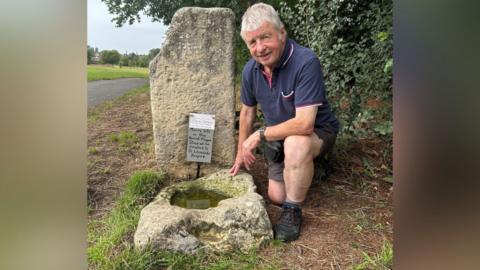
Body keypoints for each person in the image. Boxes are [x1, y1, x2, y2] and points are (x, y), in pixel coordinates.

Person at [229, 2, 340, 242]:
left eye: (265, 37)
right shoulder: (250, 71)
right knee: (276, 195)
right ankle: (306, 171)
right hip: (277, 136)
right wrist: (240, 151)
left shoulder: (305, 61)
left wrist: (259, 136)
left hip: (317, 131)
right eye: (252, 42)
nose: (260, 48)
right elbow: (247, 113)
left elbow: (304, 124)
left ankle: (292, 211)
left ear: (282, 33)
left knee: (295, 145)